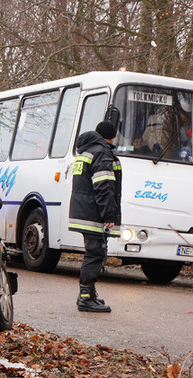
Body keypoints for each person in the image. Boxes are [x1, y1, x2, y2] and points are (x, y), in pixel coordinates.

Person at [68, 121, 122, 313]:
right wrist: (108, 214)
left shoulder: (85, 151)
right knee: (95, 253)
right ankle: (85, 297)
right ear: (112, 137)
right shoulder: (102, 153)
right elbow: (104, 186)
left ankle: (90, 293)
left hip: (83, 210)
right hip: (94, 213)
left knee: (94, 251)